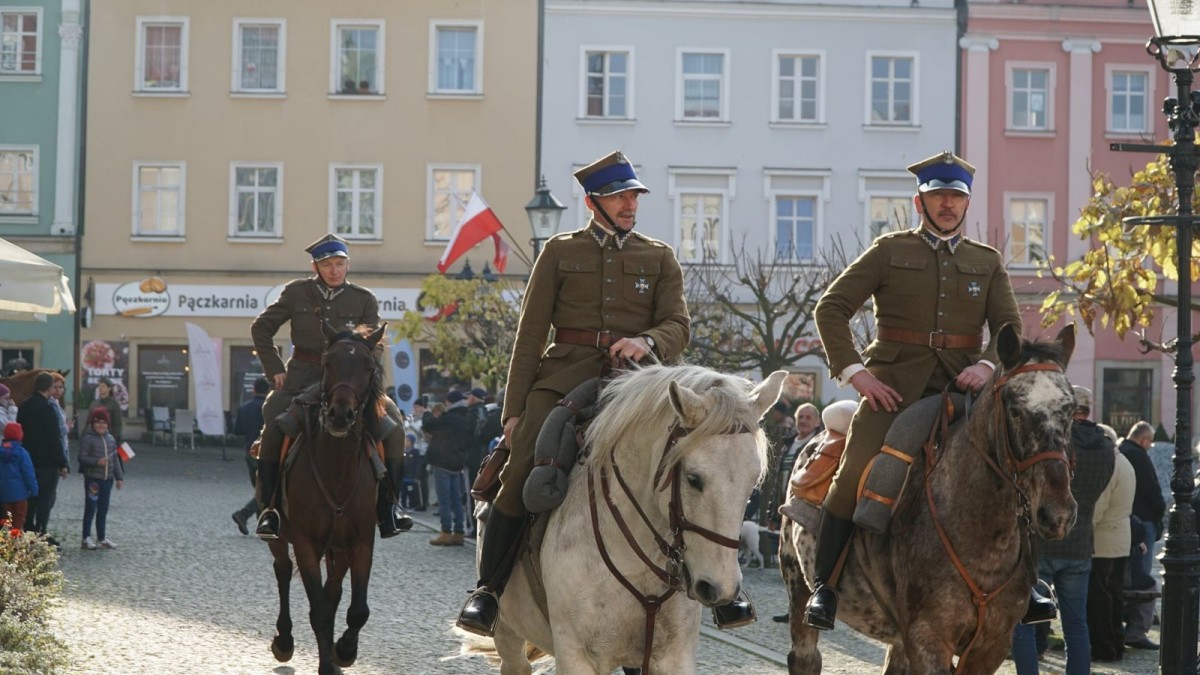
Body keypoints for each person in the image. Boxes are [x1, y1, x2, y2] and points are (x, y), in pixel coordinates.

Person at [456, 149, 709, 637]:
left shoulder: (658, 257)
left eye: (633, 195)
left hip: (637, 384)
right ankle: (488, 591)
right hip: (564, 376)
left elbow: (679, 324)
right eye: (619, 197)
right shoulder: (559, 251)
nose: (629, 204)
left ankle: (716, 583)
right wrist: (514, 411)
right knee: (526, 461)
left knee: (692, 463)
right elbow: (530, 335)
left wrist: (648, 340)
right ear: (593, 202)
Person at [806, 151, 1024, 631]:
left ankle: (1032, 582)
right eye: (938, 195)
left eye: (956, 196)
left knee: (1018, 464)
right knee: (855, 470)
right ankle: (826, 585)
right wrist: (856, 373)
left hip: (964, 389)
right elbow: (832, 307)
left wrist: (989, 364)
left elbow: (1009, 325)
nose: (947, 204)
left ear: (966, 204)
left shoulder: (985, 262)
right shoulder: (889, 250)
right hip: (893, 389)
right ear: (919, 200)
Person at [250, 234, 410, 540]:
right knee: (273, 417)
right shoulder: (297, 293)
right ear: (315, 266)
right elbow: (261, 328)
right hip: (302, 377)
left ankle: (390, 506)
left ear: (347, 264)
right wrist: (276, 371)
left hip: (349, 383)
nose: (335, 270)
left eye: (340, 263)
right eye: (327, 264)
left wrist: (370, 384)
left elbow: (373, 347)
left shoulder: (364, 299)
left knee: (395, 426)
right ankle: (268, 509)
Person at [1011, 386, 1114, 675]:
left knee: (1024, 622)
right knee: (1076, 623)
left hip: (1041, 542)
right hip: (1080, 541)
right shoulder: (1107, 447)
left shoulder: (1055, 441)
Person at [1087, 424, 1136, 662]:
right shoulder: (1124, 462)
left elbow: (1100, 505)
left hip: (1104, 539)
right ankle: (1116, 643)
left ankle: (1104, 647)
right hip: (1120, 537)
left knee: (1100, 597)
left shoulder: (1110, 464)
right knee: (1114, 595)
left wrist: (1085, 531)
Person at [1120, 420, 1165, 650]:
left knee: (1130, 573)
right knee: (1142, 577)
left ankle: (1134, 620)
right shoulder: (1137, 455)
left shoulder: (1121, 452)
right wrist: (1160, 511)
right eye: (1150, 441)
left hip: (1128, 520)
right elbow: (1151, 488)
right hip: (1141, 521)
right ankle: (1138, 626)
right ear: (1143, 439)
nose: (1150, 445)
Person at [18, 372, 68, 542]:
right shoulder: (48, 408)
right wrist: (63, 463)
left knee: (30, 498)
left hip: (27, 460)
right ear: (48, 387)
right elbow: (55, 439)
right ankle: (41, 531)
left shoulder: (24, 406)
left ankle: (28, 529)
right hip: (47, 463)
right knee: (45, 500)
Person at [423, 391, 473, 546]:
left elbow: (428, 425)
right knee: (456, 499)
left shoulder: (448, 418)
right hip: (457, 463)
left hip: (442, 461)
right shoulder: (467, 418)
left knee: (444, 499)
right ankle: (459, 532)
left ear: (449, 403)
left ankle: (445, 531)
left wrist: (426, 414)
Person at [78, 408, 124, 550]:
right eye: (98, 422)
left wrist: (119, 477)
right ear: (93, 423)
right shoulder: (88, 438)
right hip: (93, 479)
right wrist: (97, 461)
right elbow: (82, 457)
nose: (101, 425)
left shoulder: (110, 439)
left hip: (107, 480)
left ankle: (102, 537)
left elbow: (115, 460)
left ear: (107, 424)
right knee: (91, 507)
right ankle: (86, 537)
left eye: (103, 423)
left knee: (103, 508)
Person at [230, 377, 269, 535]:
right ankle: (244, 514)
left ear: (253, 389)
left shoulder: (244, 408)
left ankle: (262, 523)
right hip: (265, 452)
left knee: (261, 489)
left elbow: (237, 431)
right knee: (265, 490)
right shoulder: (268, 409)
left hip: (249, 452)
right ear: (268, 391)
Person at [0, 422, 37, 532]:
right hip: (20, 494)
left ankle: (7, 544)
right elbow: (28, 474)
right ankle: (16, 544)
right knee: (19, 520)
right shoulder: (22, 453)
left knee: (7, 521)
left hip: (4, 494)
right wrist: (34, 490)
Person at [90, 378, 123, 444]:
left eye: (103, 386)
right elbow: (89, 421)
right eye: (99, 386)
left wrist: (114, 438)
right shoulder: (94, 403)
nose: (100, 388)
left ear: (109, 388)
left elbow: (118, 423)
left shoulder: (114, 404)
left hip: (108, 438)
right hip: (94, 438)